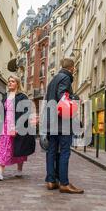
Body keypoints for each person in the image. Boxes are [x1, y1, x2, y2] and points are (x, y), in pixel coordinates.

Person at [44, 58, 84, 194]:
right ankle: (64, 183)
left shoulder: (52, 80)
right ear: (72, 68)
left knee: (51, 151)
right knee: (65, 152)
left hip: (51, 122)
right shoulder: (65, 78)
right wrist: (75, 98)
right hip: (62, 122)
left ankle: (51, 181)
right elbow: (63, 98)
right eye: (74, 69)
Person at [0, 76, 35, 181]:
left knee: (18, 148)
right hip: (5, 126)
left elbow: (26, 112)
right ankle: (0, 172)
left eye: (12, 81)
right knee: (3, 147)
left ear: (17, 84)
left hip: (16, 125)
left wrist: (18, 127)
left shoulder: (22, 97)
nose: (10, 83)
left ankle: (19, 169)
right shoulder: (6, 96)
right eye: (9, 81)